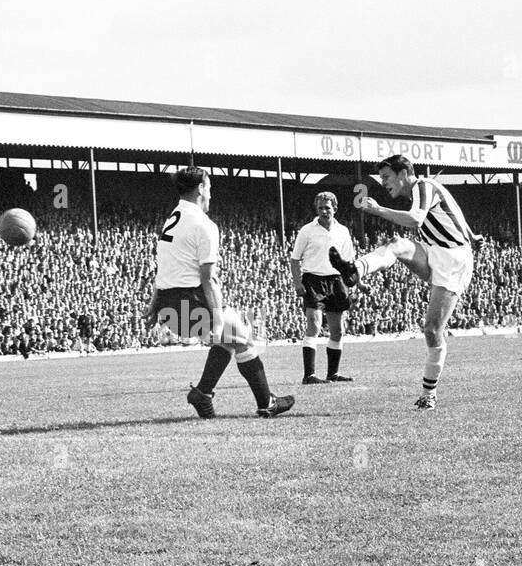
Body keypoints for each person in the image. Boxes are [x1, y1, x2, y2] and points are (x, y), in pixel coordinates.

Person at [328, 154, 477, 410]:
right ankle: (356, 270)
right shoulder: (422, 191)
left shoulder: (424, 186)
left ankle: (429, 393)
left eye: (386, 176)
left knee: (432, 330)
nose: (383, 182)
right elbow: (455, 214)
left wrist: (377, 210)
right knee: (396, 244)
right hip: (434, 252)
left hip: (454, 260)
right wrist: (474, 236)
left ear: (403, 173)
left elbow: (416, 219)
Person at [145, 166, 293, 419]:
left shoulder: (171, 220)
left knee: (228, 340)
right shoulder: (204, 224)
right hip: (189, 303)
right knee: (244, 337)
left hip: (169, 308)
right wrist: (216, 318)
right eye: (210, 188)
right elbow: (208, 279)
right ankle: (266, 402)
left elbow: (163, 268)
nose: (211, 194)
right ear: (201, 188)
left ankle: (202, 393)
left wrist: (153, 305)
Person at [289, 191, 356, 384]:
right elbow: (295, 260)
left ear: (335, 208)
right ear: (316, 209)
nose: (324, 211)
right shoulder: (307, 230)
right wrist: (297, 282)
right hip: (313, 280)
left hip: (336, 281)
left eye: (327, 208)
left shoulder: (343, 231)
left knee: (337, 331)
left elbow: (349, 261)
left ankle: (332, 374)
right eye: (320, 208)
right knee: (314, 325)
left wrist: (358, 282)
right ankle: (309, 375)